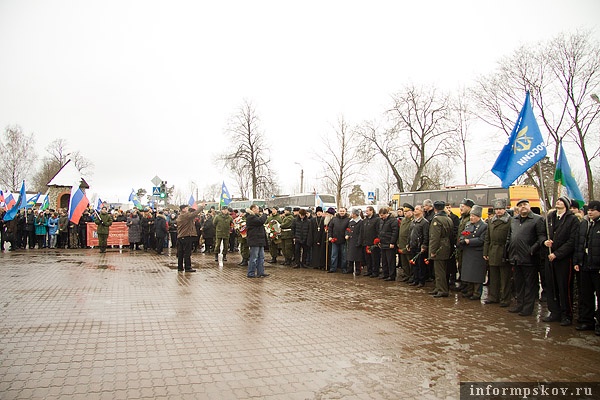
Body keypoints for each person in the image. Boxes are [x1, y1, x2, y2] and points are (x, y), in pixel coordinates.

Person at [542, 197, 579, 326]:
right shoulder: (550, 217)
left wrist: (557, 254)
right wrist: (545, 242)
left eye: (561, 201)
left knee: (564, 287)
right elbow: (543, 233)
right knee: (551, 286)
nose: (558, 202)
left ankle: (566, 314)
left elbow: (572, 241)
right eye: (557, 201)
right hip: (549, 257)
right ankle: (554, 312)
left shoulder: (572, 219)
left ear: (567, 205)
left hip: (563, 259)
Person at [506, 199, 546, 316]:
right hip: (515, 257)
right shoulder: (514, 220)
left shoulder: (537, 219)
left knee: (530, 284)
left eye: (525, 205)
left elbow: (541, 237)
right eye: (520, 205)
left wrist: (532, 250)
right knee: (519, 283)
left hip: (529, 258)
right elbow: (510, 235)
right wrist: (508, 248)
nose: (523, 207)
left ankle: (528, 308)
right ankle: (519, 304)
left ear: (529, 206)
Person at [573, 200, 600, 335]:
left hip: (597, 267)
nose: (590, 212)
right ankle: (587, 321)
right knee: (586, 296)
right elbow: (579, 244)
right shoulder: (584, 224)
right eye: (589, 210)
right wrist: (577, 261)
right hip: (584, 265)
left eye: (593, 210)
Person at [483, 199, 512, 306]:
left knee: (505, 278)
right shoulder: (491, 221)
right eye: (497, 209)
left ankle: (505, 299)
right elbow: (487, 238)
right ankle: (493, 296)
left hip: (504, 251)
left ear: (505, 209)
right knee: (493, 276)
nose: (498, 211)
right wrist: (485, 252)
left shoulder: (510, 221)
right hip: (492, 251)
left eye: (500, 209)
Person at [457, 205, 488, 300]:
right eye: (471, 216)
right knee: (468, 273)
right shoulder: (468, 225)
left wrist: (469, 241)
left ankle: (477, 293)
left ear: (478, 216)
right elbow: (464, 233)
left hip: (477, 253)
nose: (471, 218)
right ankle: (469, 290)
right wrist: (462, 239)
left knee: (476, 275)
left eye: (474, 216)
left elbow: (482, 239)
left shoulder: (484, 226)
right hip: (468, 252)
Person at [428, 201, 454, 298]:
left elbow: (435, 237)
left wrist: (433, 251)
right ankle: (438, 287)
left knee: (439, 270)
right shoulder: (448, 219)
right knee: (442, 269)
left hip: (439, 247)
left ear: (435, 209)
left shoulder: (437, 220)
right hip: (446, 245)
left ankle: (442, 289)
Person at [176, 203, 205, 272]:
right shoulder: (185, 215)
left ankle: (180, 267)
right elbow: (194, 214)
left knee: (181, 253)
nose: (187, 209)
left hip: (181, 236)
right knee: (187, 253)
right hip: (186, 236)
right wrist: (201, 207)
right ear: (183, 209)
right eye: (186, 208)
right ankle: (187, 267)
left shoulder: (180, 216)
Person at [408, 204, 429, 288]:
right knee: (414, 264)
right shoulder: (413, 222)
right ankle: (415, 279)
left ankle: (421, 280)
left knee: (421, 265)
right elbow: (410, 234)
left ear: (421, 211)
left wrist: (424, 245)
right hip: (413, 245)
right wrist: (408, 243)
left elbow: (426, 235)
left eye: (417, 209)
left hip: (419, 246)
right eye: (415, 209)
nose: (415, 211)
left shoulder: (424, 222)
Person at [245, 205, 269, 278]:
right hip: (254, 240)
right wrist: (265, 214)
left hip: (259, 239)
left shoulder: (255, 216)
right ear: (253, 209)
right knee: (254, 257)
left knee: (261, 257)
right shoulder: (250, 217)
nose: (258, 210)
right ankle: (251, 273)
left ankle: (260, 272)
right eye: (257, 209)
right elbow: (260, 221)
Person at [378, 207, 398, 281]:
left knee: (391, 260)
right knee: (384, 260)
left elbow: (394, 232)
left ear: (386, 214)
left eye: (382, 215)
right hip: (383, 243)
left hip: (389, 243)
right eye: (380, 215)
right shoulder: (382, 221)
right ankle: (385, 274)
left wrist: (392, 242)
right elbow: (380, 231)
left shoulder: (393, 221)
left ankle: (392, 275)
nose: (381, 217)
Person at [328, 207, 350, 273]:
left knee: (344, 256)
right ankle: (333, 268)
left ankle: (344, 268)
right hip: (335, 240)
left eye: (343, 211)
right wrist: (330, 236)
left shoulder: (348, 220)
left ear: (345, 211)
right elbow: (330, 228)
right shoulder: (334, 219)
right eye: (340, 211)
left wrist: (347, 234)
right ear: (338, 211)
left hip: (343, 240)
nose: (342, 212)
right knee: (334, 255)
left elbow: (348, 229)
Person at [362, 206, 381, 278]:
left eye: (367, 211)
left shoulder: (376, 220)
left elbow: (378, 230)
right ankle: (369, 271)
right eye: (366, 211)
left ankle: (375, 271)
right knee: (368, 258)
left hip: (373, 242)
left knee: (375, 258)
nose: (366, 212)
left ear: (372, 211)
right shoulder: (365, 220)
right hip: (366, 242)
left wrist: (377, 240)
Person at [397, 203, 414, 282]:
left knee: (409, 261)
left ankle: (412, 276)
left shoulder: (413, 221)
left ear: (411, 211)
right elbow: (400, 232)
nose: (405, 213)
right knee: (404, 263)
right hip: (401, 243)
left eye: (407, 211)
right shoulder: (404, 220)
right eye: (404, 211)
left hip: (408, 244)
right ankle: (406, 275)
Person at [346, 208, 364, 275]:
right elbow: (348, 229)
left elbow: (361, 233)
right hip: (350, 241)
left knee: (357, 257)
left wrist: (359, 242)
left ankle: (358, 269)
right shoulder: (351, 221)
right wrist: (347, 234)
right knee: (350, 256)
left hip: (356, 241)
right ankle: (350, 269)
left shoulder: (360, 222)